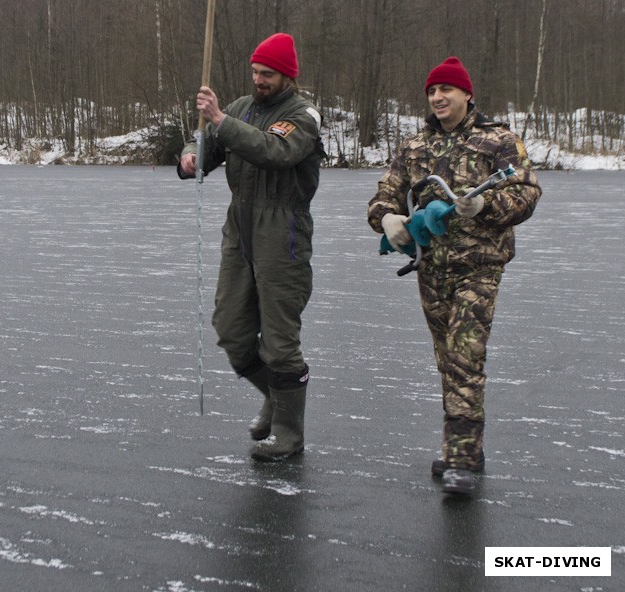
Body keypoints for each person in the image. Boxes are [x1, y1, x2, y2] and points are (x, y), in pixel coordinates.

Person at [367, 56, 541, 495]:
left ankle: (461, 459)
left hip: (478, 267)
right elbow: (384, 195)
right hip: (432, 267)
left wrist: (485, 205)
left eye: (446, 89)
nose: (438, 97)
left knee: (465, 355)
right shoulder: (413, 146)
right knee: (448, 359)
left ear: (467, 94)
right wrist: (388, 219)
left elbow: (526, 194)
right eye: (432, 91)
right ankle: (466, 446)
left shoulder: (498, 140)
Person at [178, 33, 325, 462]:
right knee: (231, 330)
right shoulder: (242, 108)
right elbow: (206, 143)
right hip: (239, 233)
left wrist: (220, 120)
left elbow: (274, 150)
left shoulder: (302, 115)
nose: (259, 80)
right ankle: (274, 399)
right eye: (256, 72)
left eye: (268, 74)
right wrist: (192, 154)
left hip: (284, 235)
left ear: (287, 75)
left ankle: (288, 434)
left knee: (280, 342)